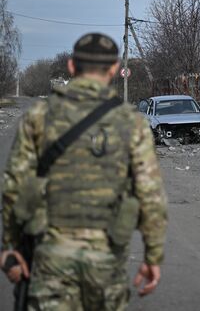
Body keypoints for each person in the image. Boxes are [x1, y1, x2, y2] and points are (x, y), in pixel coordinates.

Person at [0, 32, 168, 310]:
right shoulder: (131, 122)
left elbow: (15, 185)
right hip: (106, 263)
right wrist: (153, 256)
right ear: (114, 68)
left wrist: (11, 246)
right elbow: (151, 195)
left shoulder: (39, 117)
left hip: (50, 258)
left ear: (71, 67)